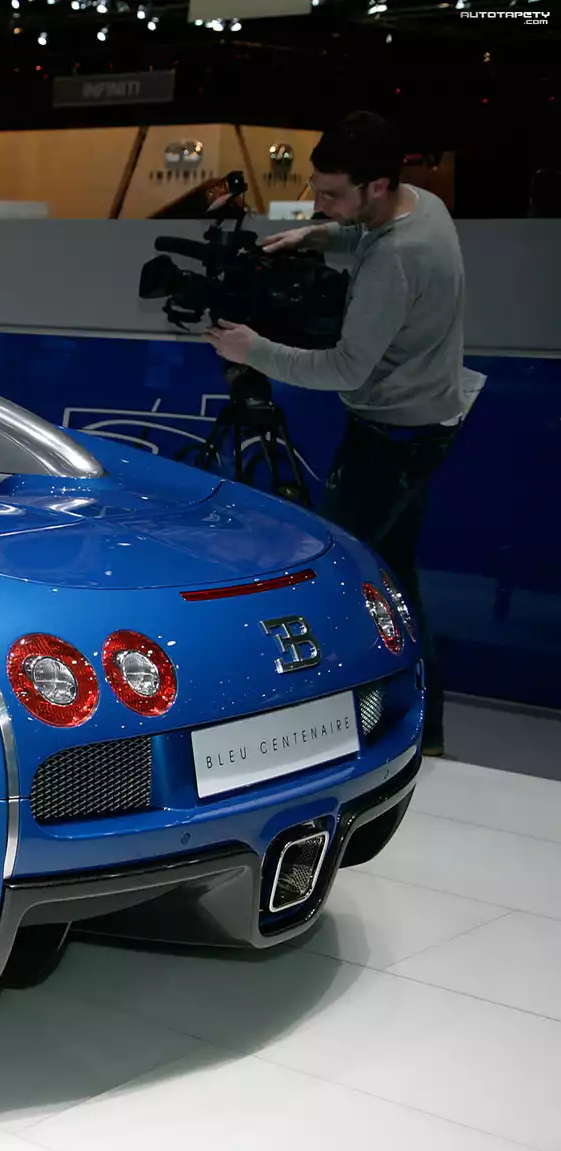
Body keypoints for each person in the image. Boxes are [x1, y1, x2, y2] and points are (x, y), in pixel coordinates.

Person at [205, 111, 483, 756]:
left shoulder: (398, 258)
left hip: (392, 436)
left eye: (331, 195)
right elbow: (367, 236)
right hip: (424, 423)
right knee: (396, 579)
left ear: (377, 184)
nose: (319, 202)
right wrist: (318, 235)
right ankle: (424, 730)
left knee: (331, 579)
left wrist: (253, 350)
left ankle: (322, 734)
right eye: (316, 190)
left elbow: (343, 368)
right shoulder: (423, 206)